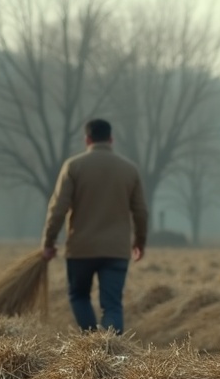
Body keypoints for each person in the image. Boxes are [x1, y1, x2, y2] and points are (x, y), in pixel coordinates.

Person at [42, 118, 149, 335]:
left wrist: (49, 241)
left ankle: (92, 343)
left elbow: (58, 208)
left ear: (87, 139)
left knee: (78, 296)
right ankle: (111, 350)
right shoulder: (129, 169)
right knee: (112, 305)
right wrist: (139, 241)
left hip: (81, 248)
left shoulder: (73, 166)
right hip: (116, 250)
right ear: (111, 139)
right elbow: (141, 211)